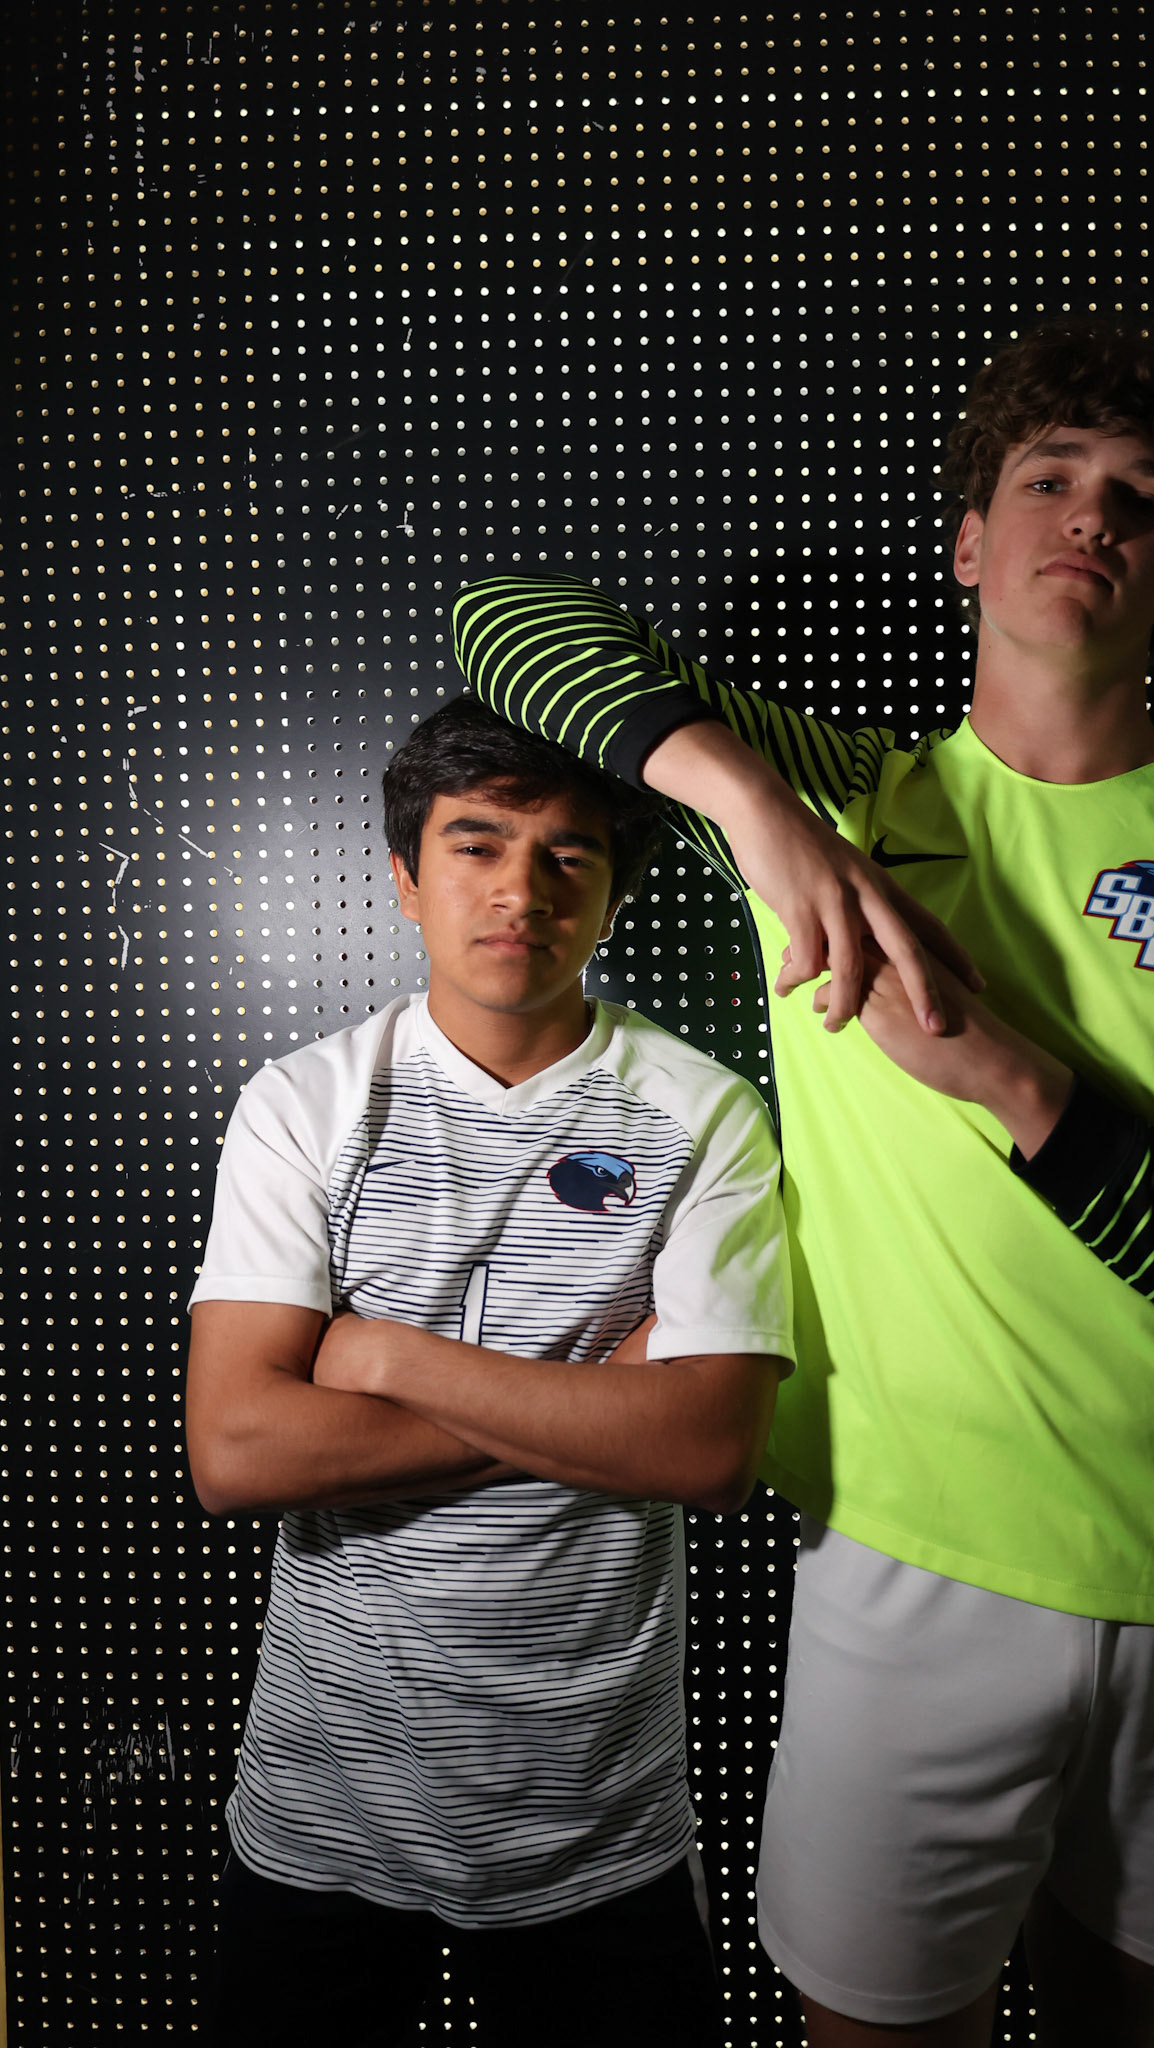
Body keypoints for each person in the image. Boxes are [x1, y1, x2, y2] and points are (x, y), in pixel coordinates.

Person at [448, 317, 1154, 2048]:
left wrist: (1010, 1075)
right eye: (1047, 480)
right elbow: (501, 619)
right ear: (968, 543)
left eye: (1142, 502)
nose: (1088, 517)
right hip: (912, 1554)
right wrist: (750, 804)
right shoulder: (841, 796)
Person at [185, 697, 794, 2048]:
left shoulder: (706, 1118)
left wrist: (386, 1357)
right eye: (476, 844)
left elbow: (703, 1452)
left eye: (569, 853)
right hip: (321, 1805)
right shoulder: (306, 1104)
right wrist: (594, 1400)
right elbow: (237, 1452)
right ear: (405, 877)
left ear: (616, 889)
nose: (521, 890)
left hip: (596, 1818)